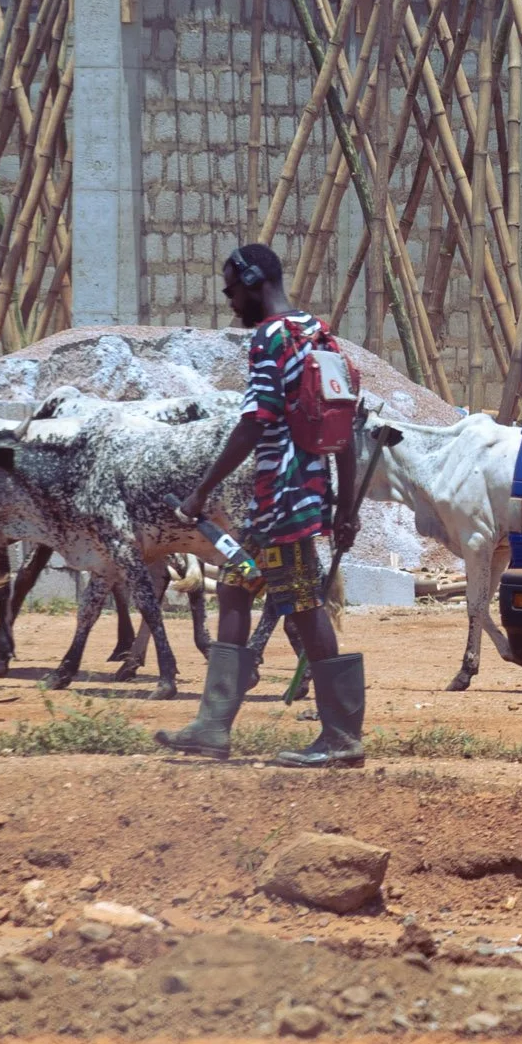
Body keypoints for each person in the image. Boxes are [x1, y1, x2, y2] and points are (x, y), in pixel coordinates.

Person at [154, 243, 366, 767]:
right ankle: (213, 726)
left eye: (231, 290)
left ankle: (341, 736)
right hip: (301, 493)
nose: (229, 302)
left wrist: (202, 490)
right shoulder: (318, 334)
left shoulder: (270, 339)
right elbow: (345, 424)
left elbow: (255, 422)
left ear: (252, 281)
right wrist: (342, 504)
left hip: (282, 499)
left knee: (302, 602)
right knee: (234, 587)